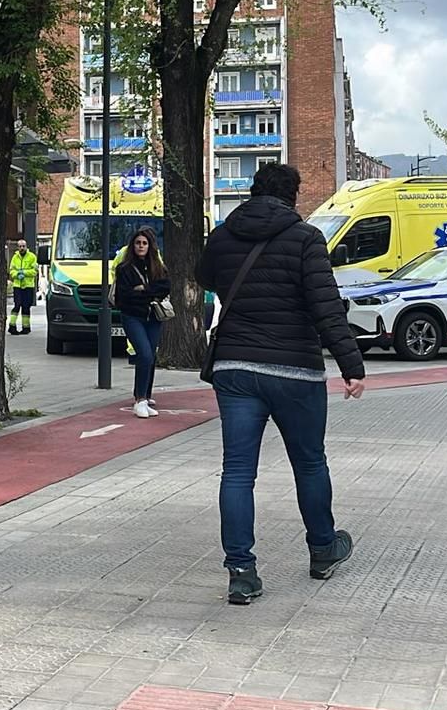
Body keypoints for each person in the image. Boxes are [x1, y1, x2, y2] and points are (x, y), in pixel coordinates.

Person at [197, 162, 367, 606]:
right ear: (293, 195)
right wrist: (351, 365)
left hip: (236, 366)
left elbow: (205, 277)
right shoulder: (306, 238)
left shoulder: (222, 235)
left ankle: (241, 572)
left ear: (253, 191)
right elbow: (325, 306)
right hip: (295, 370)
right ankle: (323, 548)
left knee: (237, 471)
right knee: (309, 463)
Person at [113, 226, 171, 420]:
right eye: (138, 243)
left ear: (150, 246)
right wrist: (149, 293)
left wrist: (143, 289)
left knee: (150, 356)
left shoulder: (158, 267)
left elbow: (165, 287)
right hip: (132, 317)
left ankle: (145, 397)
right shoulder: (124, 269)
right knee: (144, 354)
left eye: (144, 243)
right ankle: (140, 400)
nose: (141, 246)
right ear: (133, 245)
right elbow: (125, 296)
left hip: (153, 317)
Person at [6, 237, 38, 335]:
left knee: (26, 306)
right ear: (18, 247)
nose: (22, 248)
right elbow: (11, 270)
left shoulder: (32, 257)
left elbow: (34, 271)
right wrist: (17, 274)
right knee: (17, 305)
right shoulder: (15, 258)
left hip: (28, 286)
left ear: (26, 246)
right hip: (18, 286)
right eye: (20, 246)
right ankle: (12, 326)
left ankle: (26, 327)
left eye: (23, 246)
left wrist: (24, 273)